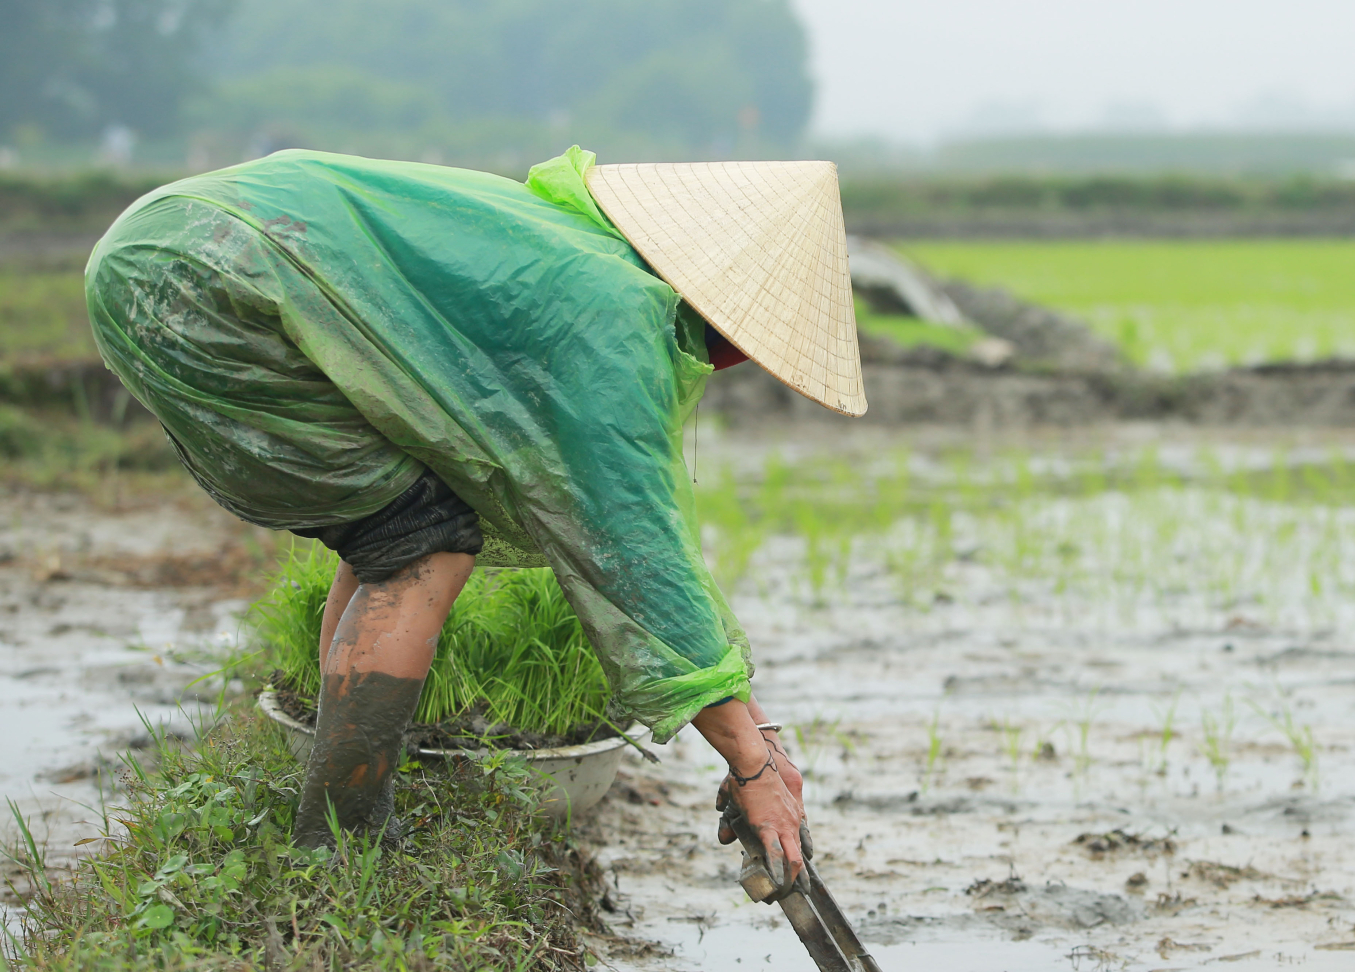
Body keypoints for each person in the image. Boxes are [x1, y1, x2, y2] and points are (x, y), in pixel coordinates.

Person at [83, 146, 868, 883]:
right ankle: (339, 841)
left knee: (401, 521)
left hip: (161, 240)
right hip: (227, 280)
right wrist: (751, 762)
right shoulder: (614, 319)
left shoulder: (566, 251)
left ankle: (335, 787)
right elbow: (635, 553)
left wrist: (755, 737)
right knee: (424, 545)